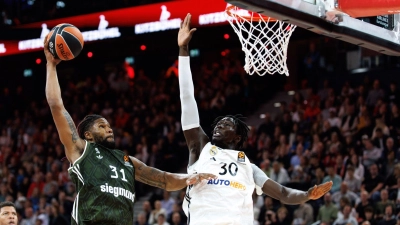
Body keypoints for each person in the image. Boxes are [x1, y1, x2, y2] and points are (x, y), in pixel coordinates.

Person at [177, 13, 333, 225]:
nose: (220, 124)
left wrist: (307, 195)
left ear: (238, 137)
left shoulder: (248, 167)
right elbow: (187, 99)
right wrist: (183, 50)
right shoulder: (200, 147)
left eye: (227, 123)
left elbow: (283, 193)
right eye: (219, 122)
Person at [43, 35, 216, 225]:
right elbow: (56, 105)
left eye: (109, 126)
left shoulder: (127, 162)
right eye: (102, 126)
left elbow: (165, 180)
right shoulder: (81, 150)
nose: (109, 129)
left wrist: (190, 178)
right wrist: (51, 65)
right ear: (88, 135)